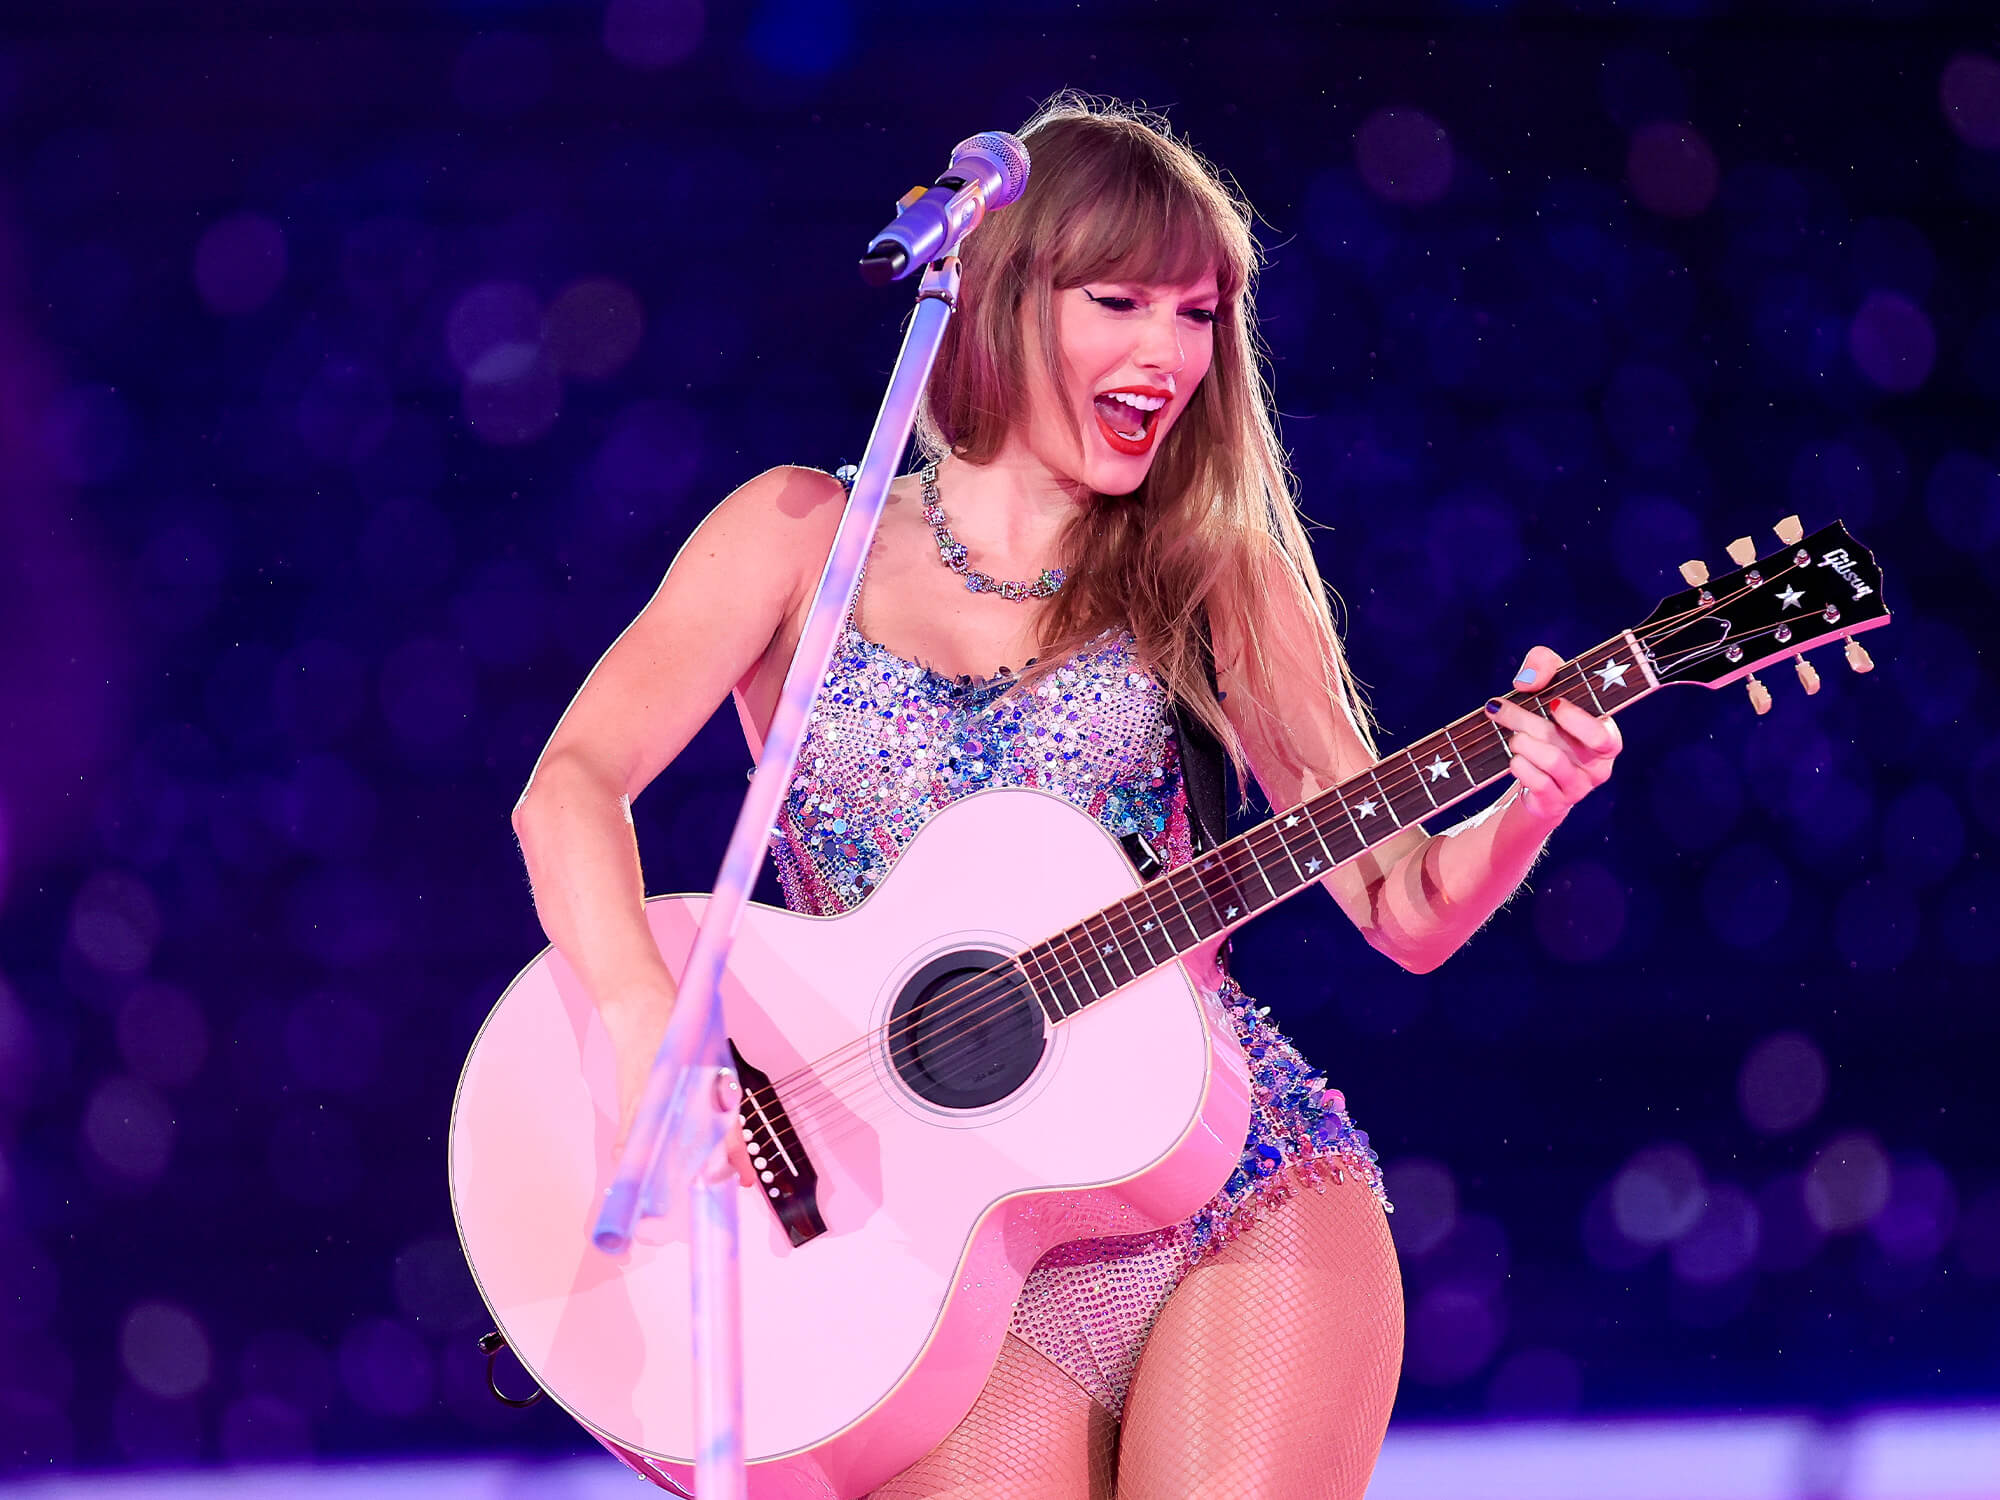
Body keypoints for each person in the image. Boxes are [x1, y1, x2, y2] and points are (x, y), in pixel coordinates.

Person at [510, 93, 1621, 1500]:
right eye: (1124, 302)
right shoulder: (799, 538)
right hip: (926, 1248)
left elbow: (1401, 903)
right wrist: (643, 1034)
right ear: (998, 297)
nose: (1171, 352)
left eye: (1202, 314)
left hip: (1228, 1188)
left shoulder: (1213, 570)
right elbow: (569, 787)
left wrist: (1529, 803)